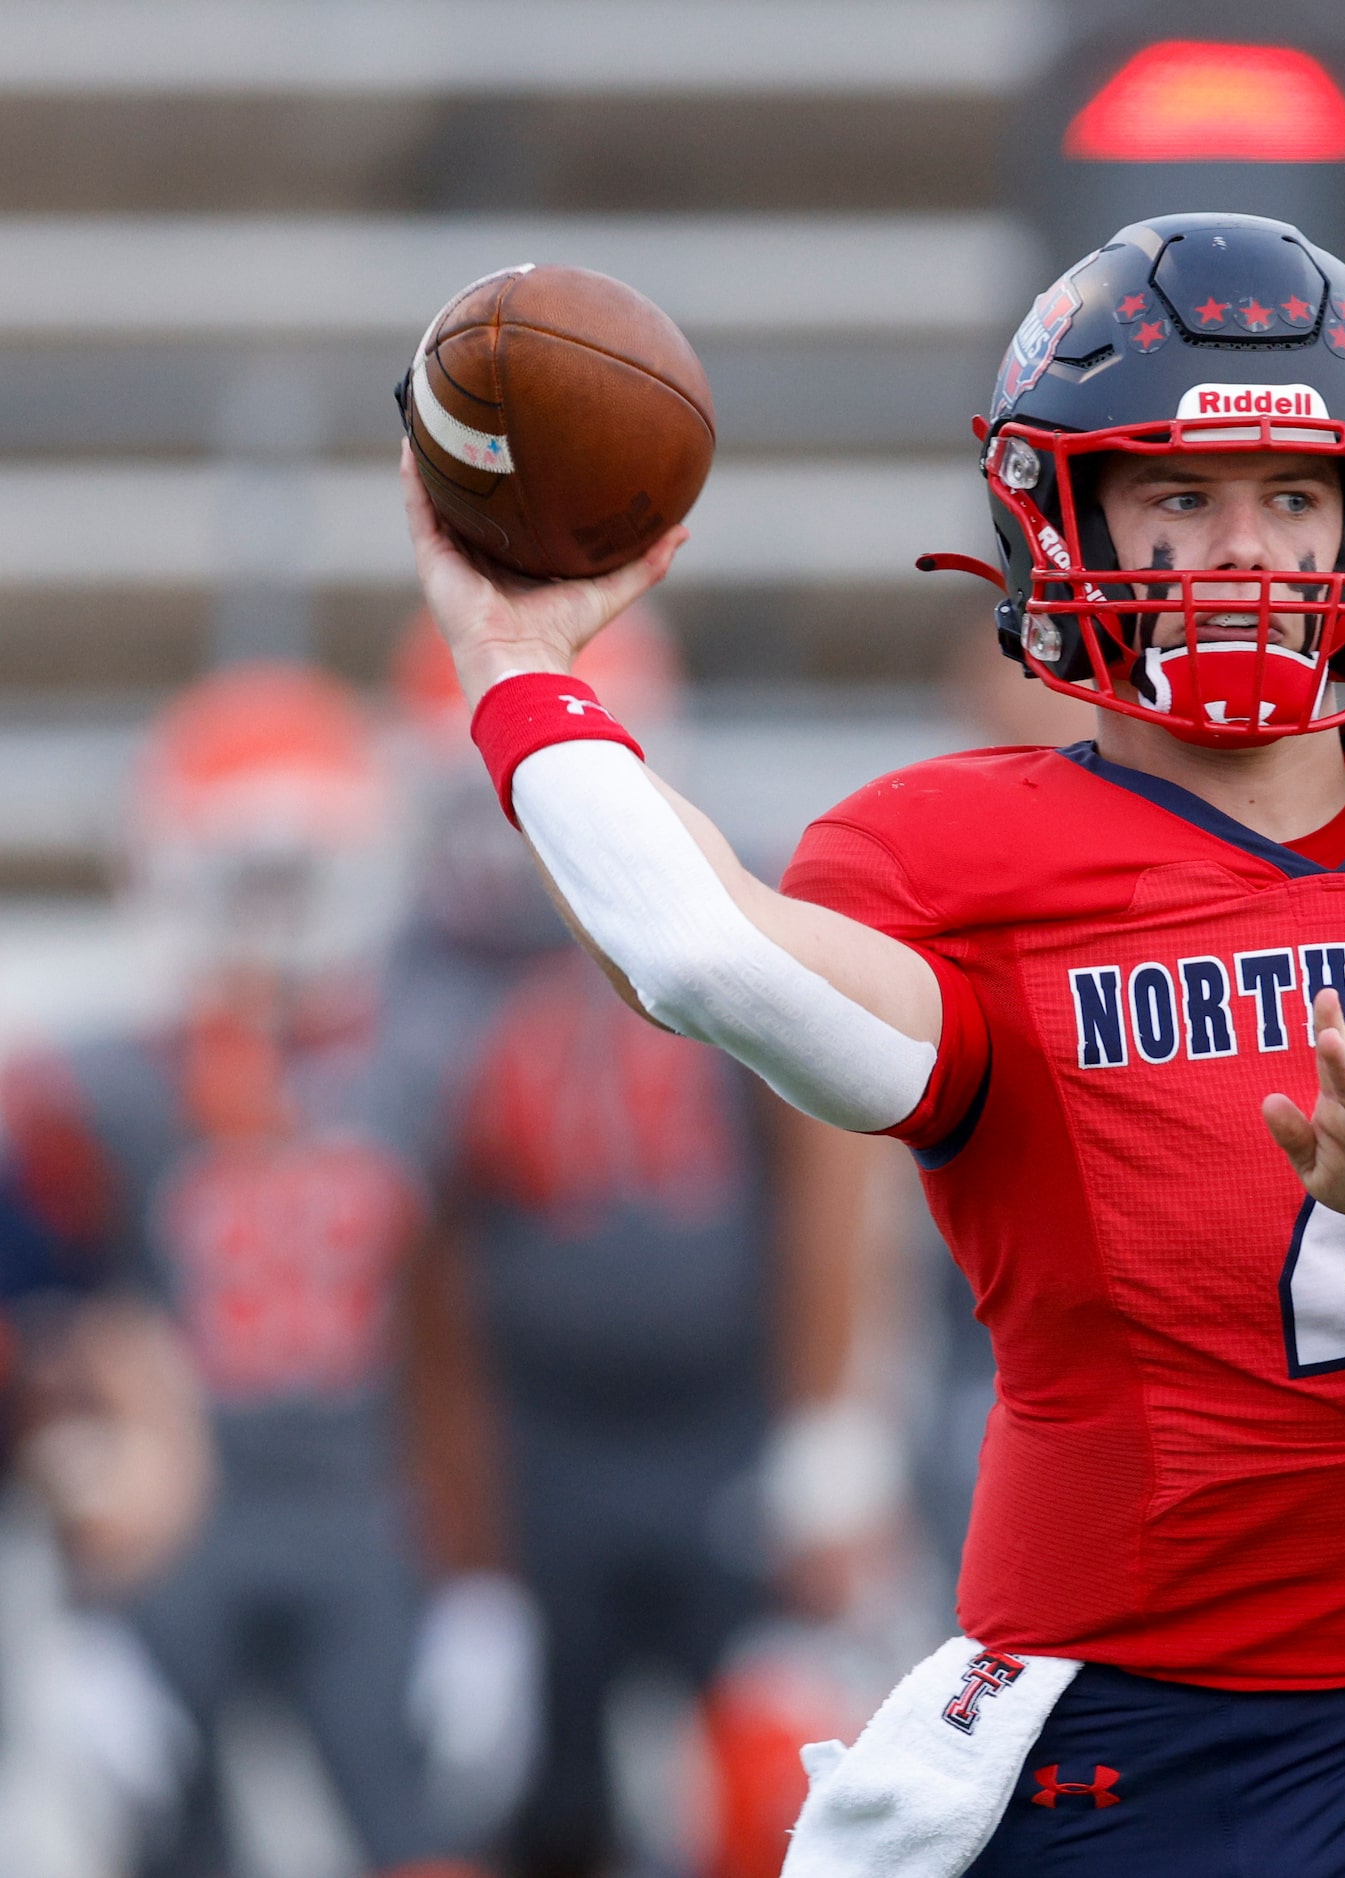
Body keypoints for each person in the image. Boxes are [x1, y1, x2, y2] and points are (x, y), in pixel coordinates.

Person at [398, 211, 1345, 1878]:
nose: (1249, 551)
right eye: (1181, 492)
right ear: (1059, 515)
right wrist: (514, 662)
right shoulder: (966, 864)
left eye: (1294, 497)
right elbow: (709, 955)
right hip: (1143, 1731)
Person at [385, 616, 908, 1878]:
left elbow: (828, 1175)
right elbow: (427, 1281)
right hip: (542, 1444)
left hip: (722, 1425)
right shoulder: (422, 967)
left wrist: (832, 1431)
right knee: (535, 1808)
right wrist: (465, 1558)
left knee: (776, 1795)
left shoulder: (723, 905)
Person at [0, 664, 477, 1878]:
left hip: (365, 1516)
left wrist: (483, 1576)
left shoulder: (423, 1066)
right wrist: (80, 1618)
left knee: (416, 1836)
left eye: (299, 877)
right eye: (243, 878)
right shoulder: (87, 1086)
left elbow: (458, 1342)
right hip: (177, 1527)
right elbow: (56, 1335)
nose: (273, 916)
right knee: (173, 1846)